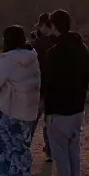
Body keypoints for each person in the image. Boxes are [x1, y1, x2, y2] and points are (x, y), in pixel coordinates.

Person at [0, 25, 41, 176]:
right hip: (27, 115)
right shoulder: (33, 58)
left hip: (10, 114)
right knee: (19, 152)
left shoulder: (9, 61)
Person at [44, 9, 89, 176]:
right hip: (78, 109)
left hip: (59, 112)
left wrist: (48, 113)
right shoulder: (83, 49)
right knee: (74, 151)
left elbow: (49, 86)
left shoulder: (54, 54)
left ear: (54, 27)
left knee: (61, 156)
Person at [31, 13, 56, 162]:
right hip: (51, 89)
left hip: (38, 89)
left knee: (32, 122)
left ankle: (24, 148)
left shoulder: (36, 45)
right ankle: (49, 152)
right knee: (49, 123)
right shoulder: (54, 43)